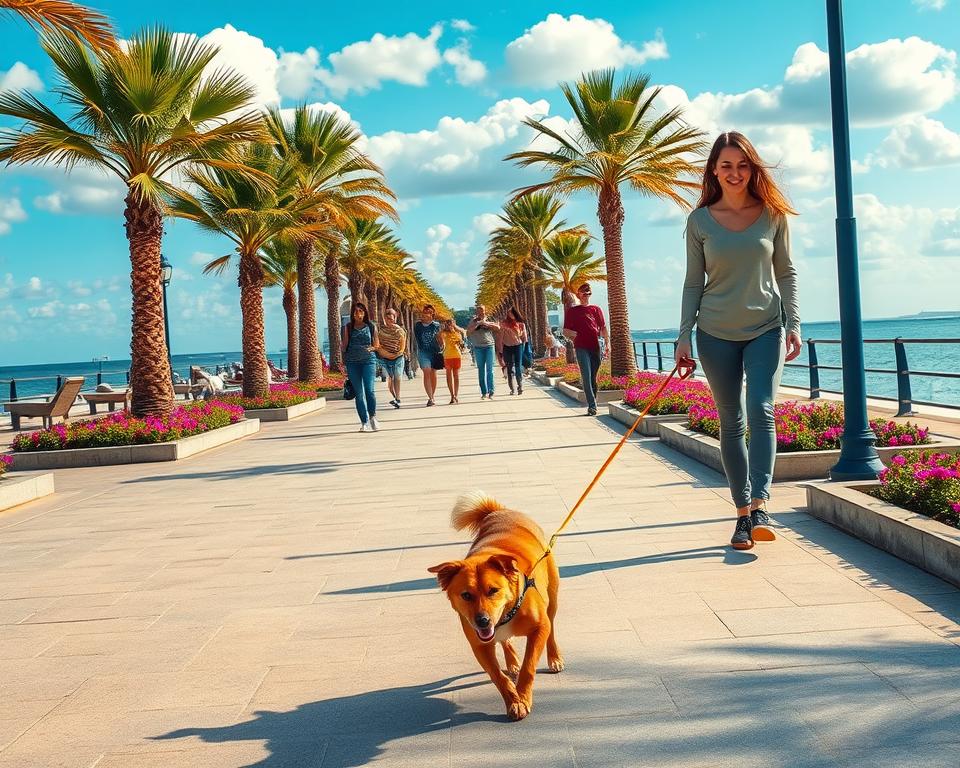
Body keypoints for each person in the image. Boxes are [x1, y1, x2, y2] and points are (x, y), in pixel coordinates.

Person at [676, 130, 802, 552]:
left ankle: (763, 504)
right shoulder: (699, 221)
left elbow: (786, 272)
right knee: (730, 421)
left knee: (762, 409)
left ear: (753, 168)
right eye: (726, 165)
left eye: (743, 164)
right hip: (714, 333)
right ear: (714, 169)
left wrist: (794, 323)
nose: (735, 173)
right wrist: (682, 336)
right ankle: (743, 515)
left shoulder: (772, 215)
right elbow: (694, 283)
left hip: (766, 327)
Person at [563, 283, 609, 416]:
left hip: (595, 346)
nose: (586, 294)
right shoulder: (572, 311)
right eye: (583, 292)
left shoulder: (596, 309)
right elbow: (565, 331)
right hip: (581, 347)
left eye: (588, 292)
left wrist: (607, 344)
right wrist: (575, 335)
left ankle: (592, 399)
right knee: (586, 377)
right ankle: (592, 406)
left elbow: (603, 328)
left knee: (593, 378)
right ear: (578, 294)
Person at [341, 302, 380, 432]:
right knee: (359, 394)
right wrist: (343, 362)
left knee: (370, 390)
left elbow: (377, 344)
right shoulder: (348, 327)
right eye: (356, 311)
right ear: (352, 314)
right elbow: (344, 345)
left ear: (365, 313)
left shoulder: (371, 326)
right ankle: (364, 422)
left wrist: (372, 348)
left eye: (361, 311)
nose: (358, 314)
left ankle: (372, 416)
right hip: (353, 363)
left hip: (368, 361)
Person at [467, 304, 500, 400]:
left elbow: (498, 328)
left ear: (485, 310)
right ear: (476, 311)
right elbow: (468, 332)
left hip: (489, 346)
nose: (480, 311)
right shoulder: (473, 321)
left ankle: (491, 391)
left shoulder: (489, 319)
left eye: (482, 309)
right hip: (478, 347)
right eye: (478, 310)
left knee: (490, 370)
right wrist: (478, 324)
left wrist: (486, 323)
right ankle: (483, 392)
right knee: (481, 370)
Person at [376, 307, 407, 409]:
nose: (391, 320)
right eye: (388, 318)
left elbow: (402, 346)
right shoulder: (381, 331)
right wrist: (385, 354)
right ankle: (395, 397)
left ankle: (398, 398)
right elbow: (378, 345)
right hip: (385, 358)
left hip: (398, 357)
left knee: (397, 377)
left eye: (392, 318)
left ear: (395, 318)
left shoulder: (400, 330)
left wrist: (396, 354)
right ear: (385, 318)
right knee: (391, 379)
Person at [413, 304, 442, 407]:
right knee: (426, 371)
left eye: (427, 312)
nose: (424, 314)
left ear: (432, 314)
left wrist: (442, 348)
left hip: (435, 352)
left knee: (433, 373)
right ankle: (430, 397)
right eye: (424, 312)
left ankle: (432, 396)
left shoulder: (436, 325)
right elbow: (416, 338)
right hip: (423, 351)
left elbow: (439, 338)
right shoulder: (418, 325)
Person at [438, 317, 467, 404]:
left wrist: (455, 328)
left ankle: (456, 395)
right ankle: (452, 395)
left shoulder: (458, 333)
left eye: (451, 323)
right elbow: (438, 337)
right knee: (448, 376)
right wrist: (443, 328)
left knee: (456, 376)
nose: (449, 325)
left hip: (457, 355)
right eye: (448, 323)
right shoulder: (443, 333)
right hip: (447, 356)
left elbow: (464, 334)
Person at [500, 307, 528, 395]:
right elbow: (500, 336)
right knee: (509, 367)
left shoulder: (521, 324)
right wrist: (500, 349)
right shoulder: (503, 323)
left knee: (518, 366)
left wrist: (523, 347)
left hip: (518, 346)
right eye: (508, 313)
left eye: (511, 313)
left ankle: (520, 386)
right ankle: (512, 388)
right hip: (507, 346)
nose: (510, 315)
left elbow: (524, 338)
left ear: (515, 314)